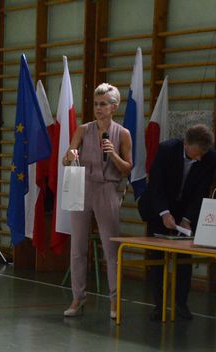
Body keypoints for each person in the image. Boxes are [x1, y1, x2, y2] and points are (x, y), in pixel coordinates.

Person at [61, 83, 133, 319]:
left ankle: (114, 301)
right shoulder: (83, 130)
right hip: (82, 187)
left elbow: (127, 169)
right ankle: (78, 297)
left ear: (114, 107)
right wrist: (70, 155)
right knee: (77, 247)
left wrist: (113, 154)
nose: (98, 108)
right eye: (96, 104)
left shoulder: (123, 134)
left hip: (107, 189)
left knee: (111, 249)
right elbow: (65, 160)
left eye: (103, 104)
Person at [138, 124, 216, 321]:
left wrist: (187, 219)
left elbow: (201, 192)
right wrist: (164, 213)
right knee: (157, 257)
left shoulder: (210, 158)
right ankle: (159, 305)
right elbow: (156, 185)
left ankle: (181, 303)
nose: (199, 158)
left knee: (184, 259)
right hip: (159, 206)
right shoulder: (167, 150)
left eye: (202, 154)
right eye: (196, 154)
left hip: (185, 209)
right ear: (185, 144)